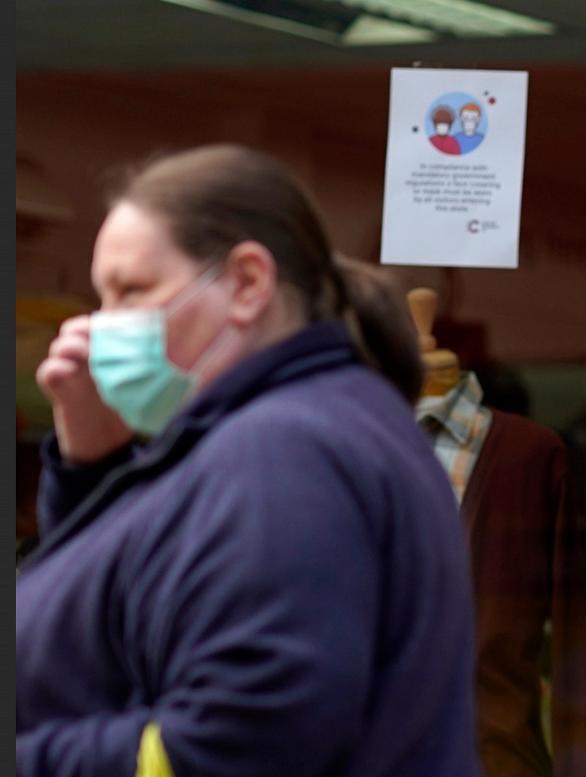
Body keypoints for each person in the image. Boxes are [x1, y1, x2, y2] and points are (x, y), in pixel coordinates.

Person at [16, 145, 480, 777]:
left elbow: (251, 735)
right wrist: (95, 465)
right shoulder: (303, 424)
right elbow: (127, 633)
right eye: (103, 297)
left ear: (247, 284)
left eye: (132, 291)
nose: (101, 328)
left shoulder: (284, 452)